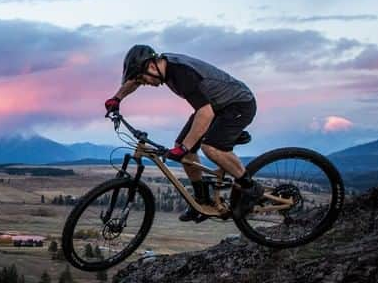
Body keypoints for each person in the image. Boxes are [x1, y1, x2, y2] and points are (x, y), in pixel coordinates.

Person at [104, 45, 262, 221]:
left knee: (210, 147)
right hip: (216, 106)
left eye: (144, 79)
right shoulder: (161, 67)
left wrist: (186, 147)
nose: (145, 84)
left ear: (151, 67)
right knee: (183, 148)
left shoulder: (182, 74)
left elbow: (205, 113)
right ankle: (202, 201)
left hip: (238, 104)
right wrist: (117, 98)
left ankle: (250, 188)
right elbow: (133, 80)